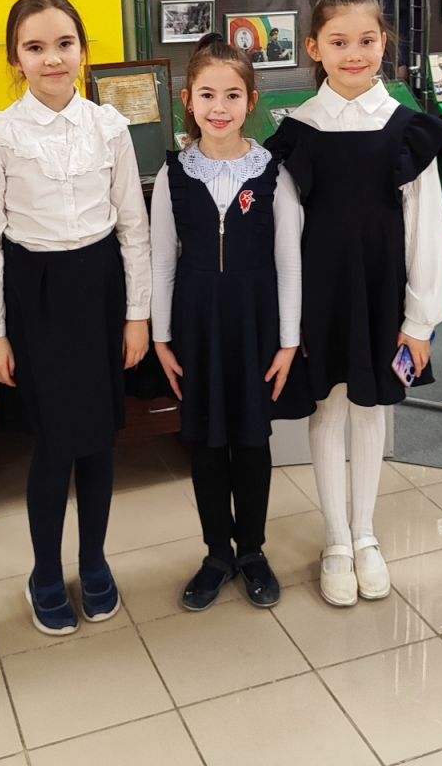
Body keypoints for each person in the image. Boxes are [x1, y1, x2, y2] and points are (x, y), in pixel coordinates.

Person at [265, 0, 442, 608]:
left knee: (371, 408)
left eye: (367, 41)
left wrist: (420, 320)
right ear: (314, 48)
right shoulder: (297, 132)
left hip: (381, 293)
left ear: (384, 44)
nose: (354, 54)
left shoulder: (406, 130)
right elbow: (284, 236)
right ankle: (336, 540)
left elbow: (427, 228)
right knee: (328, 409)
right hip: (319, 297)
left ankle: (366, 532)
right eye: (339, 42)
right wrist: (289, 322)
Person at [0, 0, 151, 636]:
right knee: (53, 444)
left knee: (99, 439)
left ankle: (93, 560)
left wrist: (137, 316)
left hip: (99, 289)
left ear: (83, 51)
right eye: (36, 47)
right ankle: (45, 571)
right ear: (15, 59)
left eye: (64, 44)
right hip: (35, 292)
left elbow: (133, 226)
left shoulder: (109, 128)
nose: (52, 59)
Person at [151, 34, 304, 611]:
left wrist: (288, 342)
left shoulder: (273, 174)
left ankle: (253, 551)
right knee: (207, 444)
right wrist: (161, 337)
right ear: (187, 100)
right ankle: (217, 552)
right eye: (208, 95)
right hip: (196, 329)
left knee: (252, 441)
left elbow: (289, 261)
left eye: (232, 95)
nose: (219, 108)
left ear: (251, 101)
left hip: (255, 326)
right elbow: (162, 259)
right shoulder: (174, 174)